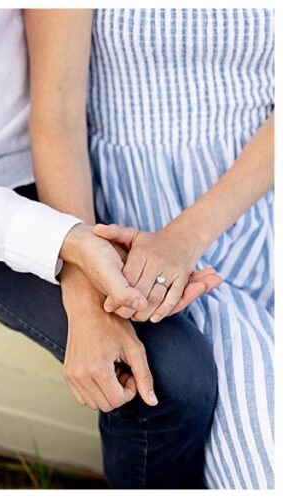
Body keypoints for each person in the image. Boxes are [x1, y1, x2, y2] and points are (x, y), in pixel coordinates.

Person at [0, 10, 220, 488]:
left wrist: (81, 247)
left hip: (62, 166)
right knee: (165, 373)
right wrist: (77, 272)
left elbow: (57, 107)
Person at [25, 9, 274, 488]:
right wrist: (79, 264)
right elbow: (56, 113)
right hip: (139, 221)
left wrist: (187, 235)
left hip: (255, 198)